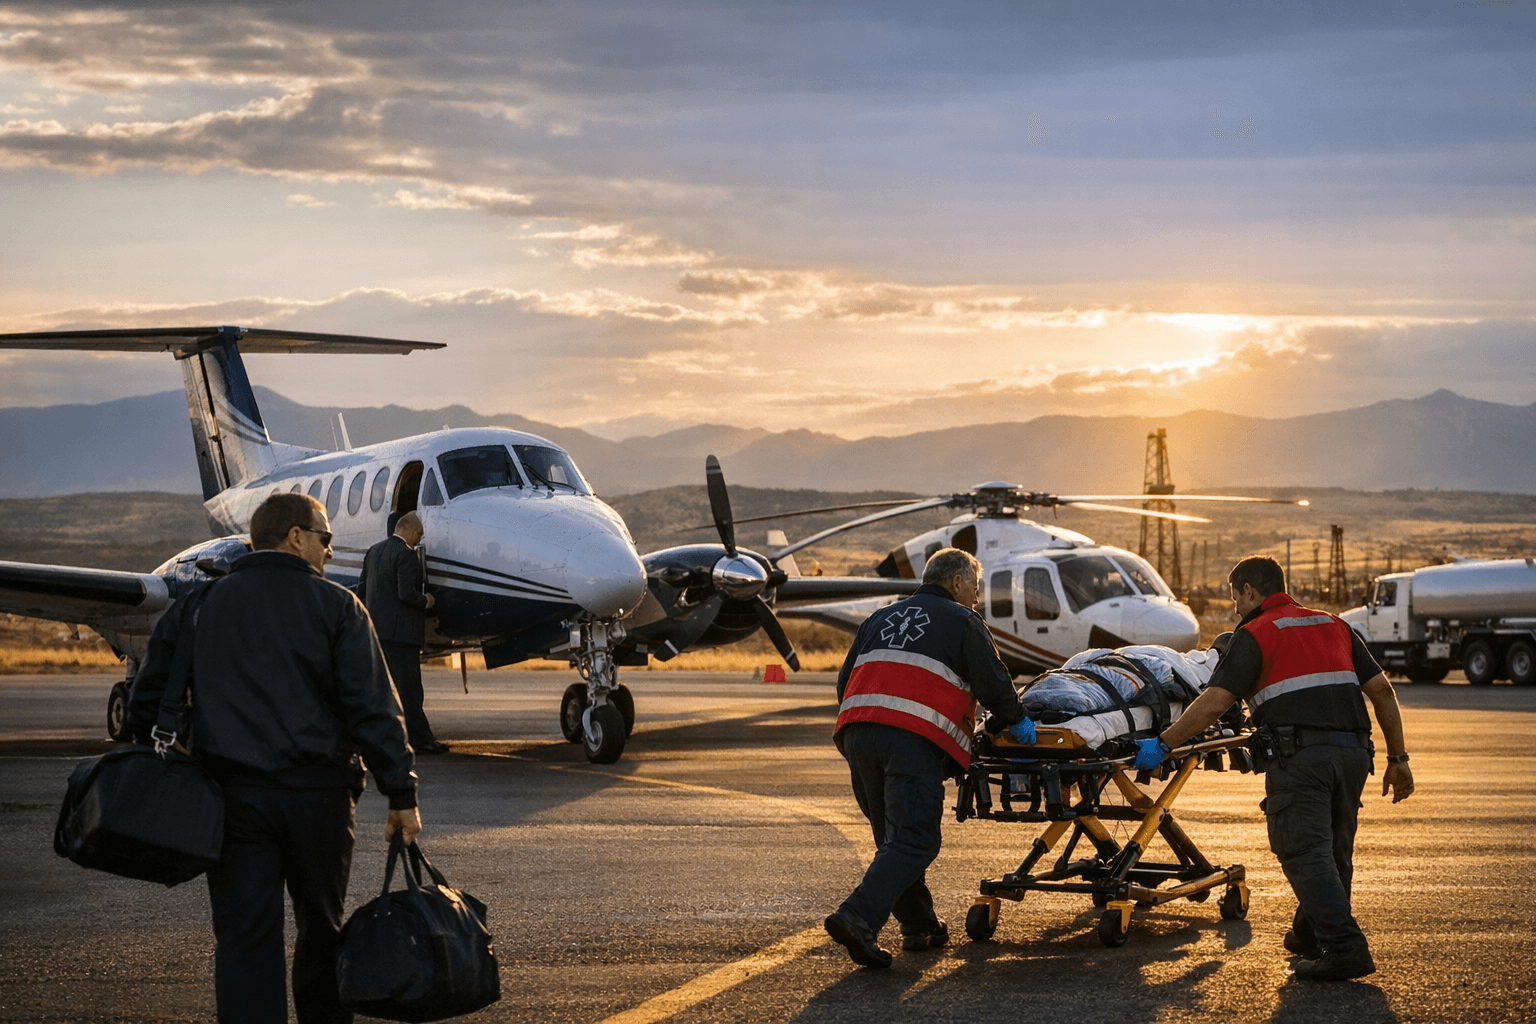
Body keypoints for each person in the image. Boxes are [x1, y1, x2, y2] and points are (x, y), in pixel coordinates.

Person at [128, 492, 420, 1024]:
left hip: (233, 802)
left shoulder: (198, 606)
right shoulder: (339, 607)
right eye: (326, 539)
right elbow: (374, 708)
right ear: (296, 537)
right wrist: (400, 793)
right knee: (323, 932)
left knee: (244, 939)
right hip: (321, 803)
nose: (330, 553)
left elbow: (146, 700)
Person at [1135, 555, 1414, 982]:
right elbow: (1382, 691)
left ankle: (1345, 948)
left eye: (1235, 600)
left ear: (1250, 591)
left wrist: (1164, 743)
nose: (1234, 610)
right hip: (1355, 756)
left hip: (1302, 760)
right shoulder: (1334, 624)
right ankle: (1309, 935)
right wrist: (1399, 759)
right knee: (1334, 851)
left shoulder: (1256, 633)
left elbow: (1215, 701)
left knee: (1305, 852)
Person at [825, 547, 1027, 968]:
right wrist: (1016, 719)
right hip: (910, 738)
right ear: (957, 583)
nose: (977, 598)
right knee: (915, 839)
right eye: (975, 587)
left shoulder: (878, 619)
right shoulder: (963, 621)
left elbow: (845, 682)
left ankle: (919, 926)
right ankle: (858, 916)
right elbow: (992, 681)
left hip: (857, 733)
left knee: (895, 840)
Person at [357, 510, 446, 754]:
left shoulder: (374, 551)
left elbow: (362, 589)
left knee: (382, 690)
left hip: (379, 633)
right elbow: (406, 594)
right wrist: (426, 600)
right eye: (418, 534)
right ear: (408, 531)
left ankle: (378, 738)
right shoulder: (406, 555)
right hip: (402, 635)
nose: (418, 539)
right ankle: (421, 740)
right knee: (410, 690)